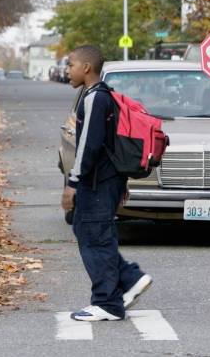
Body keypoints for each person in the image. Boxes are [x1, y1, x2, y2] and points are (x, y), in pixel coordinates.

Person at [61, 45, 152, 322]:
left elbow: (89, 145)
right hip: (106, 181)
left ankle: (107, 302)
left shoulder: (94, 98)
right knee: (92, 233)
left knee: (94, 237)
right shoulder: (103, 96)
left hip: (96, 183)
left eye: (71, 65)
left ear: (86, 68)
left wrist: (72, 183)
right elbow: (112, 145)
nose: (67, 71)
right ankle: (128, 278)